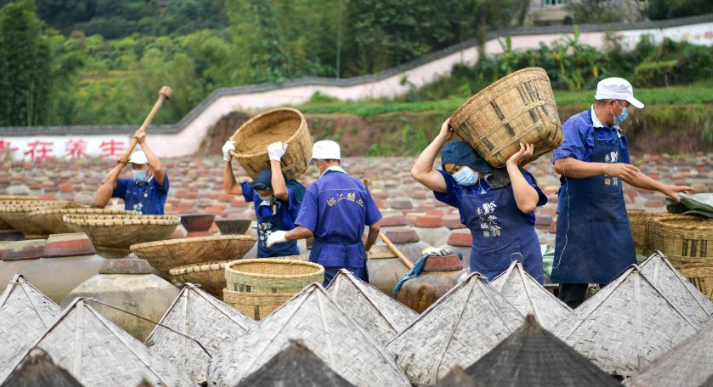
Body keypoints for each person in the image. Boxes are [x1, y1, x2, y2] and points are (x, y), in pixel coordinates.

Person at [551, 77, 693, 308]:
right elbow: (562, 164)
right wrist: (606, 167)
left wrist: (662, 187)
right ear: (612, 103)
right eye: (625, 106)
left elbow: (627, 172)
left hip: (611, 217)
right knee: (574, 287)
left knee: (618, 289)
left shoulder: (614, 132)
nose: (626, 111)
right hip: (579, 219)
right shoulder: (578, 126)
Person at [411, 118, 548, 283]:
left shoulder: (509, 176)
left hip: (522, 260)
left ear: (472, 161)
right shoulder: (458, 187)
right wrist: (442, 137)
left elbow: (527, 205)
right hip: (484, 264)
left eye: (458, 169)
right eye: (451, 172)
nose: (455, 175)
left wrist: (512, 165)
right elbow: (419, 172)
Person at [265, 140, 382, 287]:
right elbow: (376, 227)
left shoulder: (316, 188)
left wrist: (283, 235)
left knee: (328, 303)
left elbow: (306, 230)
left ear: (319, 161)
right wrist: (366, 249)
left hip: (327, 258)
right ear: (338, 160)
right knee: (355, 301)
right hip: (355, 256)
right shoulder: (359, 186)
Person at [221, 140, 306, 258]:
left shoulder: (293, 189)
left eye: (265, 193)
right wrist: (227, 160)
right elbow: (231, 188)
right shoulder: (256, 190)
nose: (261, 195)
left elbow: (280, 192)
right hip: (263, 254)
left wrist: (275, 158)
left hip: (287, 255)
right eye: (259, 192)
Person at [91, 129, 169, 214]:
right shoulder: (128, 185)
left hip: (152, 227)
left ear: (149, 166)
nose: (136, 170)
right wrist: (118, 167)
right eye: (133, 167)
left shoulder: (157, 184)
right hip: (131, 227)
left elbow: (157, 168)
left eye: (139, 166)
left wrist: (143, 143)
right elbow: (105, 183)